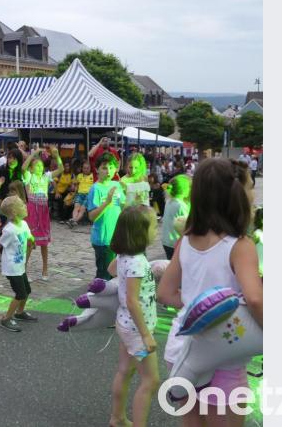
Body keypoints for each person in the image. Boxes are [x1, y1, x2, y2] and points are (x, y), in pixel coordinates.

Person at [157, 158, 263, 426]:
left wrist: (197, 306)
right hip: (224, 353)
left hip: (182, 349)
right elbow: (254, 298)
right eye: (250, 187)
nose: (253, 194)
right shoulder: (240, 246)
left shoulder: (186, 240)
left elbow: (165, 293)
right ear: (237, 196)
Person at [108, 205, 160, 427]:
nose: (156, 231)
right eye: (154, 227)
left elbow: (111, 270)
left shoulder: (125, 255)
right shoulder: (137, 262)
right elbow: (132, 301)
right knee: (151, 380)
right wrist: (146, 335)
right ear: (140, 232)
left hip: (126, 326)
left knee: (125, 371)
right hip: (137, 331)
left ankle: (117, 417)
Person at [0, 196, 38, 332]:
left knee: (27, 291)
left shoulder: (24, 224)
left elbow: (28, 235)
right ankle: (6, 318)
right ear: (14, 212)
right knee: (20, 293)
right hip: (12, 268)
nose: (25, 206)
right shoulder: (9, 230)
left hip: (20, 266)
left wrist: (32, 240)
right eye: (22, 205)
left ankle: (20, 312)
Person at [22, 146, 64, 281]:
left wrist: (57, 156)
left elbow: (61, 169)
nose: (40, 168)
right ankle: (23, 269)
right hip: (32, 210)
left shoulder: (46, 176)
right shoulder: (29, 176)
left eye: (41, 165)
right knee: (30, 241)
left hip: (43, 210)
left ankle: (45, 268)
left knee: (44, 242)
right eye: (37, 166)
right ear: (32, 168)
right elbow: (23, 168)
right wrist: (33, 154)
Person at [86, 153, 125, 280]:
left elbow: (123, 207)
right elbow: (92, 216)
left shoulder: (117, 185)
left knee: (116, 275)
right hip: (103, 241)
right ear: (97, 169)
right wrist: (107, 202)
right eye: (104, 168)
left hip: (118, 238)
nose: (108, 171)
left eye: (111, 167)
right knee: (104, 277)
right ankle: (96, 292)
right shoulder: (95, 189)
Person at [161, 175, 192, 260]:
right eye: (189, 187)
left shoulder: (169, 201)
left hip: (166, 241)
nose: (190, 190)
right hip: (175, 242)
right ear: (183, 190)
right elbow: (188, 223)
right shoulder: (180, 205)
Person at [68, 160, 95, 227]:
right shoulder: (79, 176)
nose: (86, 169)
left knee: (82, 209)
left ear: (90, 168)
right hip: (79, 194)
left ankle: (74, 221)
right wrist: (73, 187)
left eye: (87, 168)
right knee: (76, 207)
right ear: (82, 168)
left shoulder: (93, 176)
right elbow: (75, 184)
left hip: (88, 195)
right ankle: (74, 220)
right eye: (84, 168)